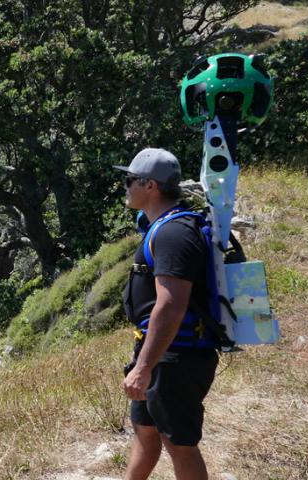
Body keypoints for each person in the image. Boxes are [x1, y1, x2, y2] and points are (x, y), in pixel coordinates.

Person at [115, 148, 218, 480]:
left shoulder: (174, 233)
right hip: (160, 351)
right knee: (146, 432)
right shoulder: (159, 226)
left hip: (177, 356)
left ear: (150, 186)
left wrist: (144, 367)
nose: (125, 186)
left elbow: (171, 304)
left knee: (179, 443)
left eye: (129, 180)